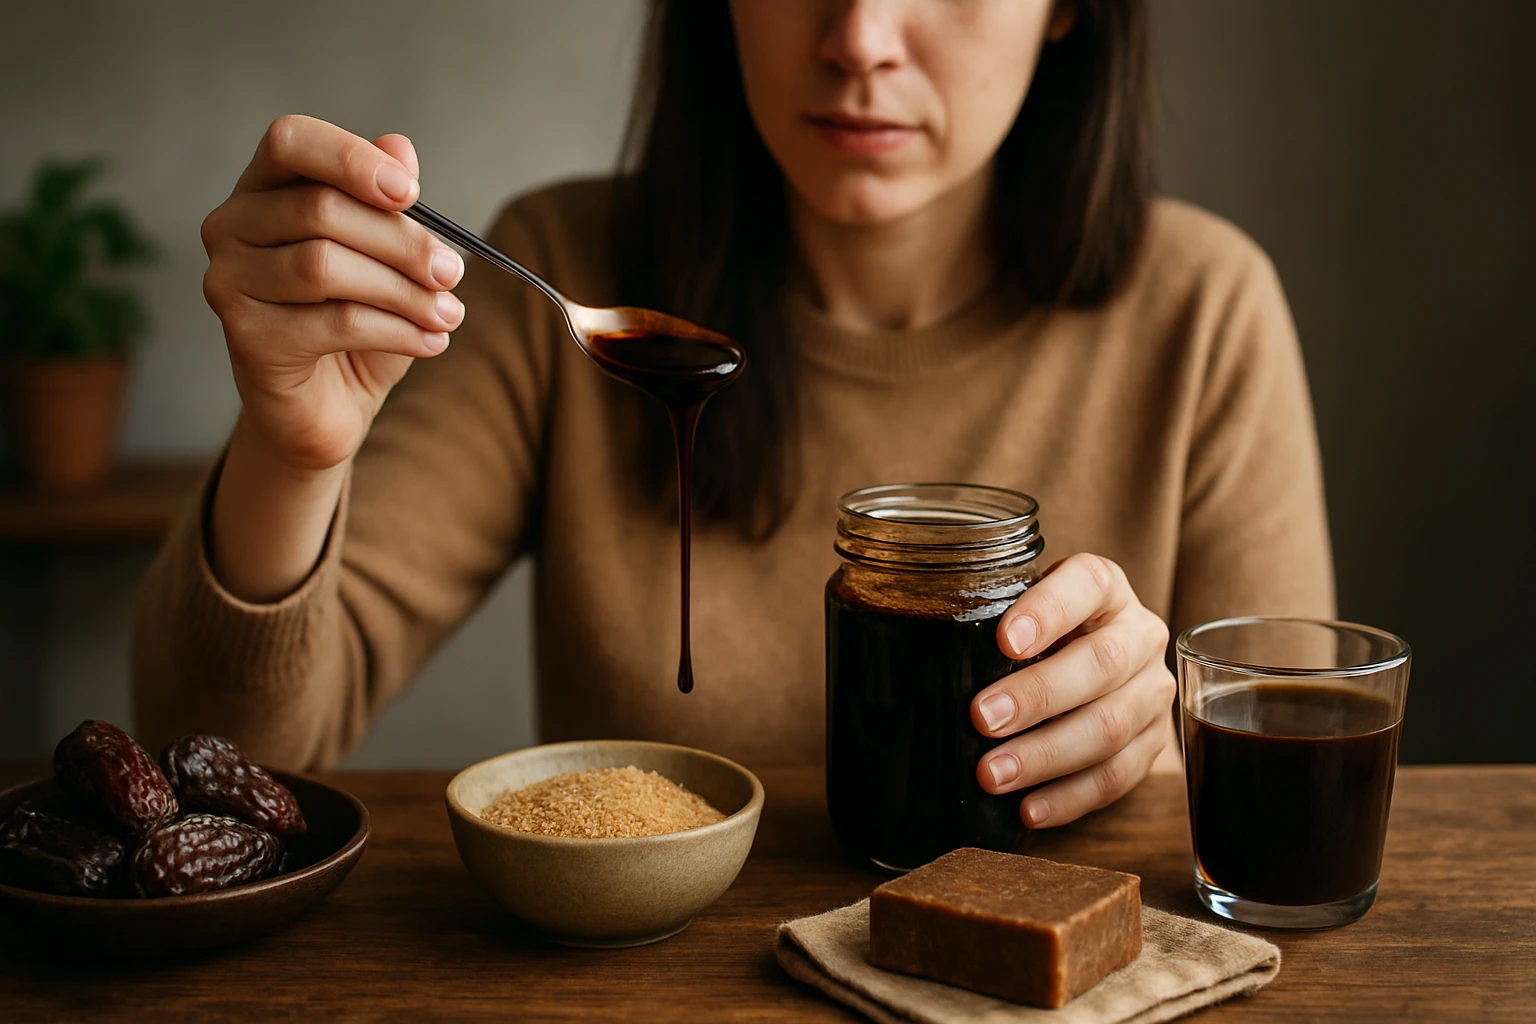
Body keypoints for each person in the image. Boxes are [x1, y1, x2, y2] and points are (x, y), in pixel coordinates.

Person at [134, 0, 1332, 830]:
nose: (859, 39)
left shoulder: (1203, 312)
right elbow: (218, 759)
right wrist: (294, 451)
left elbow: (1293, 810)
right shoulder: (558, 267)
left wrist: (1153, 747)